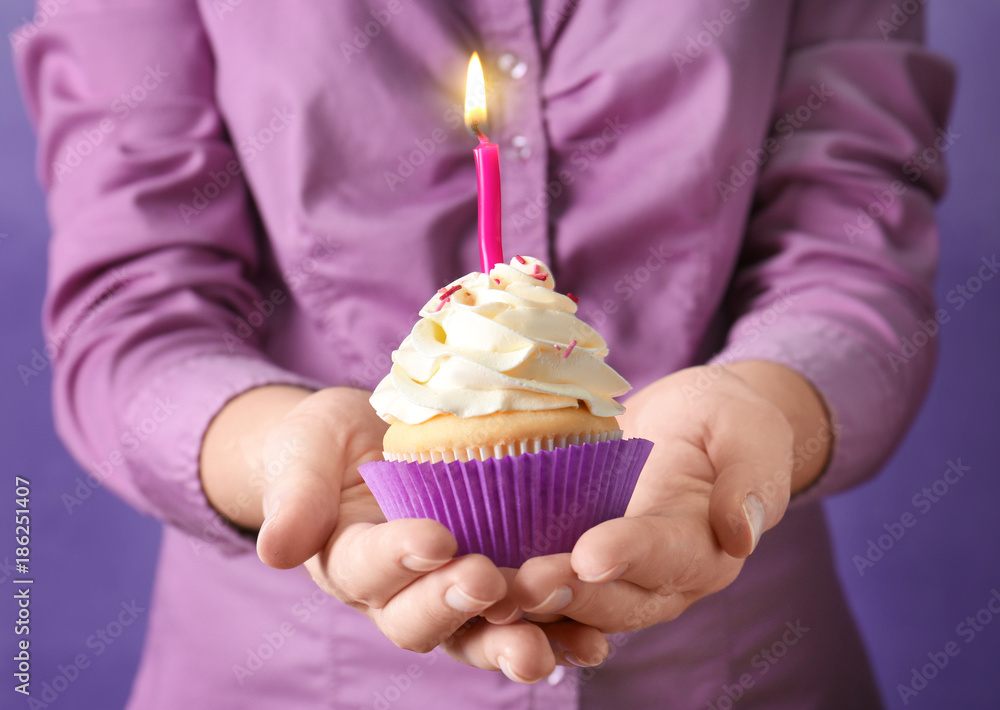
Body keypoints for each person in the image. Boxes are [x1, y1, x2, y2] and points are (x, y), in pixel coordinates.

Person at [17, 1, 954, 708]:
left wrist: (769, 408)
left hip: (743, 659)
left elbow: (854, 226)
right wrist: (276, 454)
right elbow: (131, 304)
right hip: (284, 674)